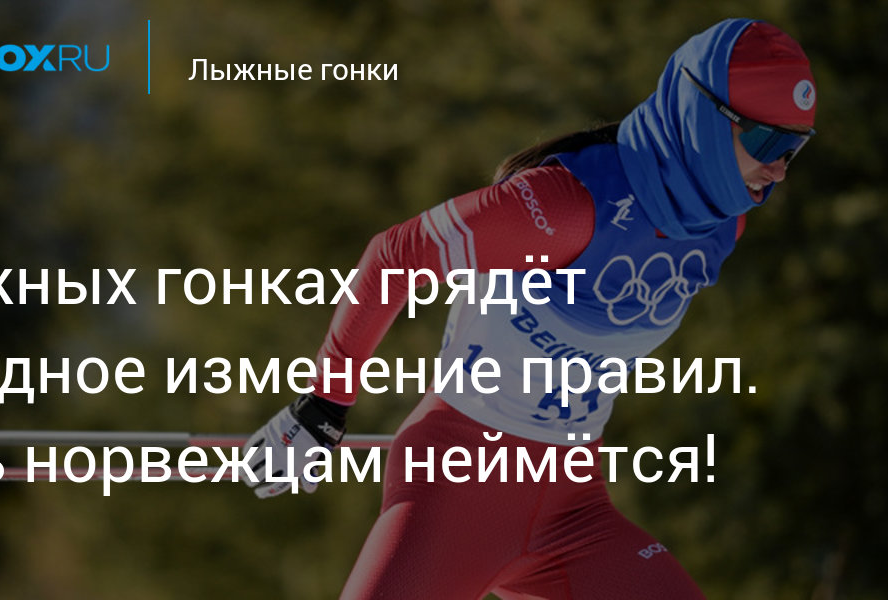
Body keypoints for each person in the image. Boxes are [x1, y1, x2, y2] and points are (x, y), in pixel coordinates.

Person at [242, 18, 817, 599]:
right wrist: (322, 406)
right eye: (769, 143)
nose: (779, 169)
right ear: (704, 120)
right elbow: (398, 254)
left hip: (573, 510)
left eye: (795, 148)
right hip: (457, 487)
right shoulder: (565, 204)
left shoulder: (721, 225)